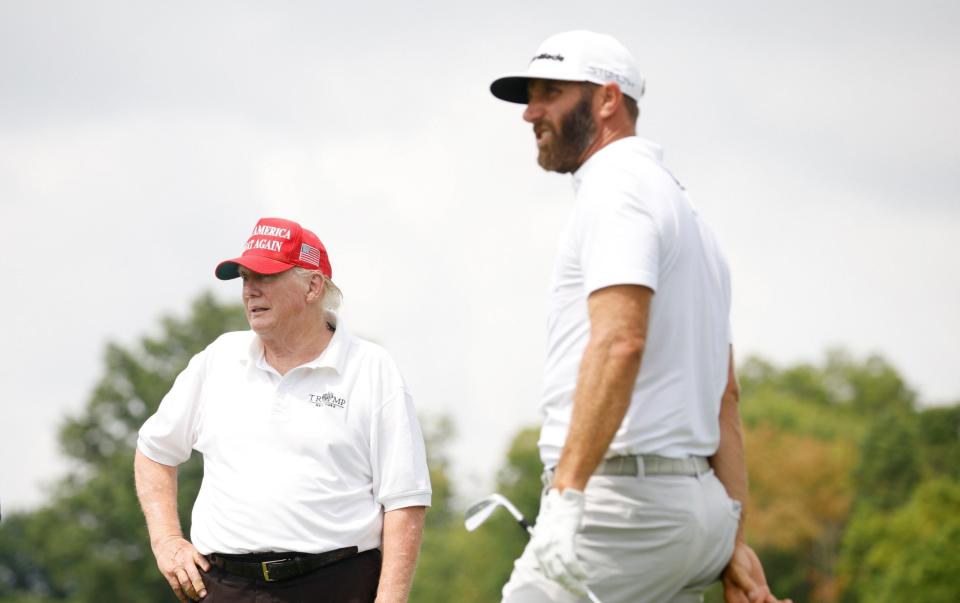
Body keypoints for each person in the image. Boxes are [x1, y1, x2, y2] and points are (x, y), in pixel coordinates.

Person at [489, 31, 791, 603]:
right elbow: (726, 393)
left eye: (551, 92)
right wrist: (734, 536)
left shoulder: (617, 188)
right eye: (531, 95)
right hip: (692, 517)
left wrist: (567, 498)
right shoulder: (686, 210)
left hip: (621, 510)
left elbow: (620, 341)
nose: (531, 112)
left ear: (607, 100)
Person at [134, 217, 431, 603]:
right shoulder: (219, 359)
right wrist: (167, 541)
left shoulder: (371, 368)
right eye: (244, 278)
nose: (250, 291)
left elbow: (405, 499)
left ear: (312, 286)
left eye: (266, 277)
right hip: (224, 587)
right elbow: (154, 451)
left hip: (335, 586)